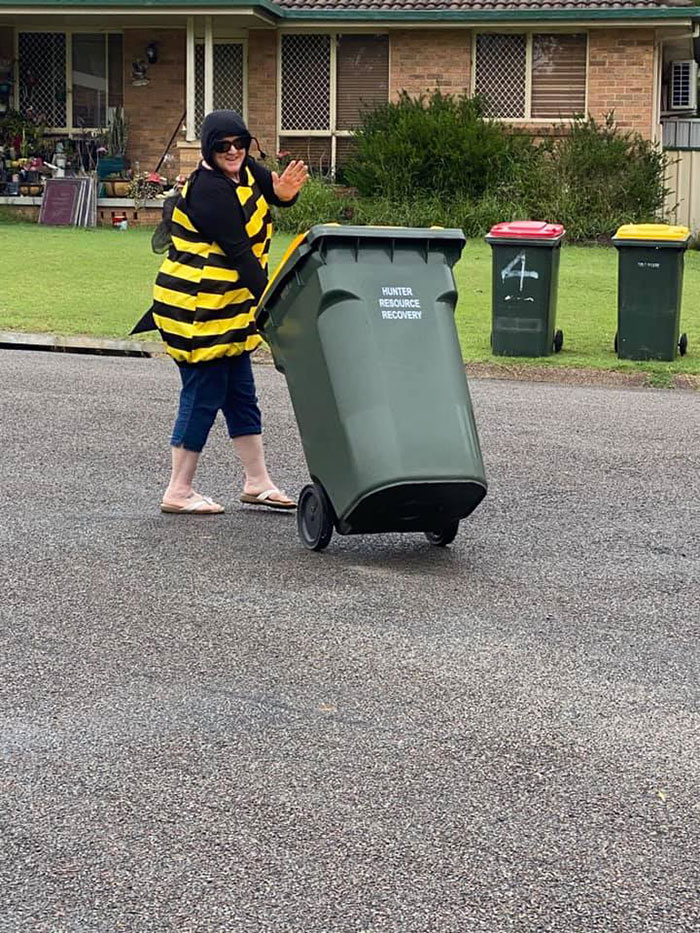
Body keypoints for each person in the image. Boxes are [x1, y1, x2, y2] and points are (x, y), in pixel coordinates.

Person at [132, 110, 308, 514]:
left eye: (239, 143)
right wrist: (276, 308)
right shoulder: (209, 190)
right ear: (209, 150)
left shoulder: (245, 169)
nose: (233, 151)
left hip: (228, 306)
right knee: (203, 393)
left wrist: (285, 194)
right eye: (223, 146)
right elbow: (242, 255)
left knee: (241, 393)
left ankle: (257, 482)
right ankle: (178, 490)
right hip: (196, 307)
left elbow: (275, 194)